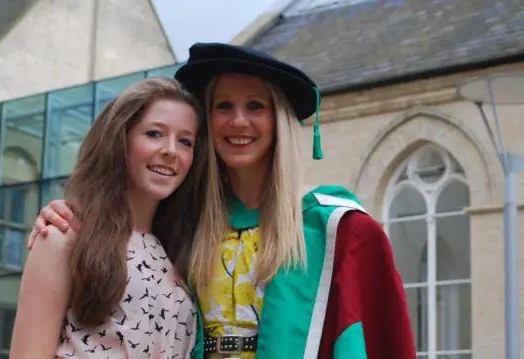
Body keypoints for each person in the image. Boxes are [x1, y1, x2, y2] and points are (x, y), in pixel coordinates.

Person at [27, 43, 416, 359]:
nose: (238, 122)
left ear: (279, 120)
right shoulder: (184, 225)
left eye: (256, 106)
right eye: (224, 106)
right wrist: (62, 217)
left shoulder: (334, 230)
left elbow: (370, 341)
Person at [10, 77, 208, 359]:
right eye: (154, 134)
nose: (170, 150)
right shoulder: (65, 235)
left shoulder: (183, 253)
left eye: (185, 141)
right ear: (120, 140)